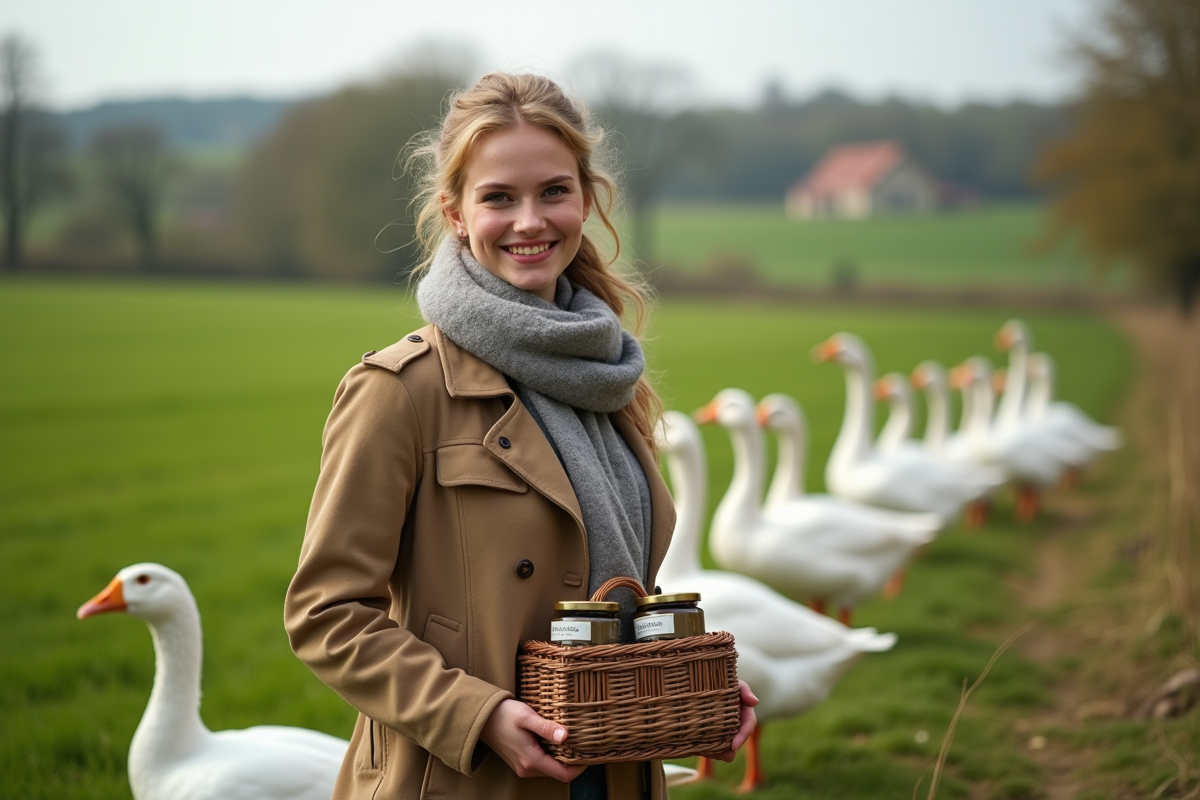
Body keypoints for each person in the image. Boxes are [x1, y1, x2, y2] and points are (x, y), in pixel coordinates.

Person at [284, 72, 756, 800]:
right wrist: (478, 716)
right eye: (499, 197)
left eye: (553, 192)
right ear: (455, 212)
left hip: (614, 773)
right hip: (466, 780)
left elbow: (612, 585)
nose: (530, 221)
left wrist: (685, 683)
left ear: (586, 201)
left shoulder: (608, 379)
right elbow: (326, 616)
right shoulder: (400, 392)